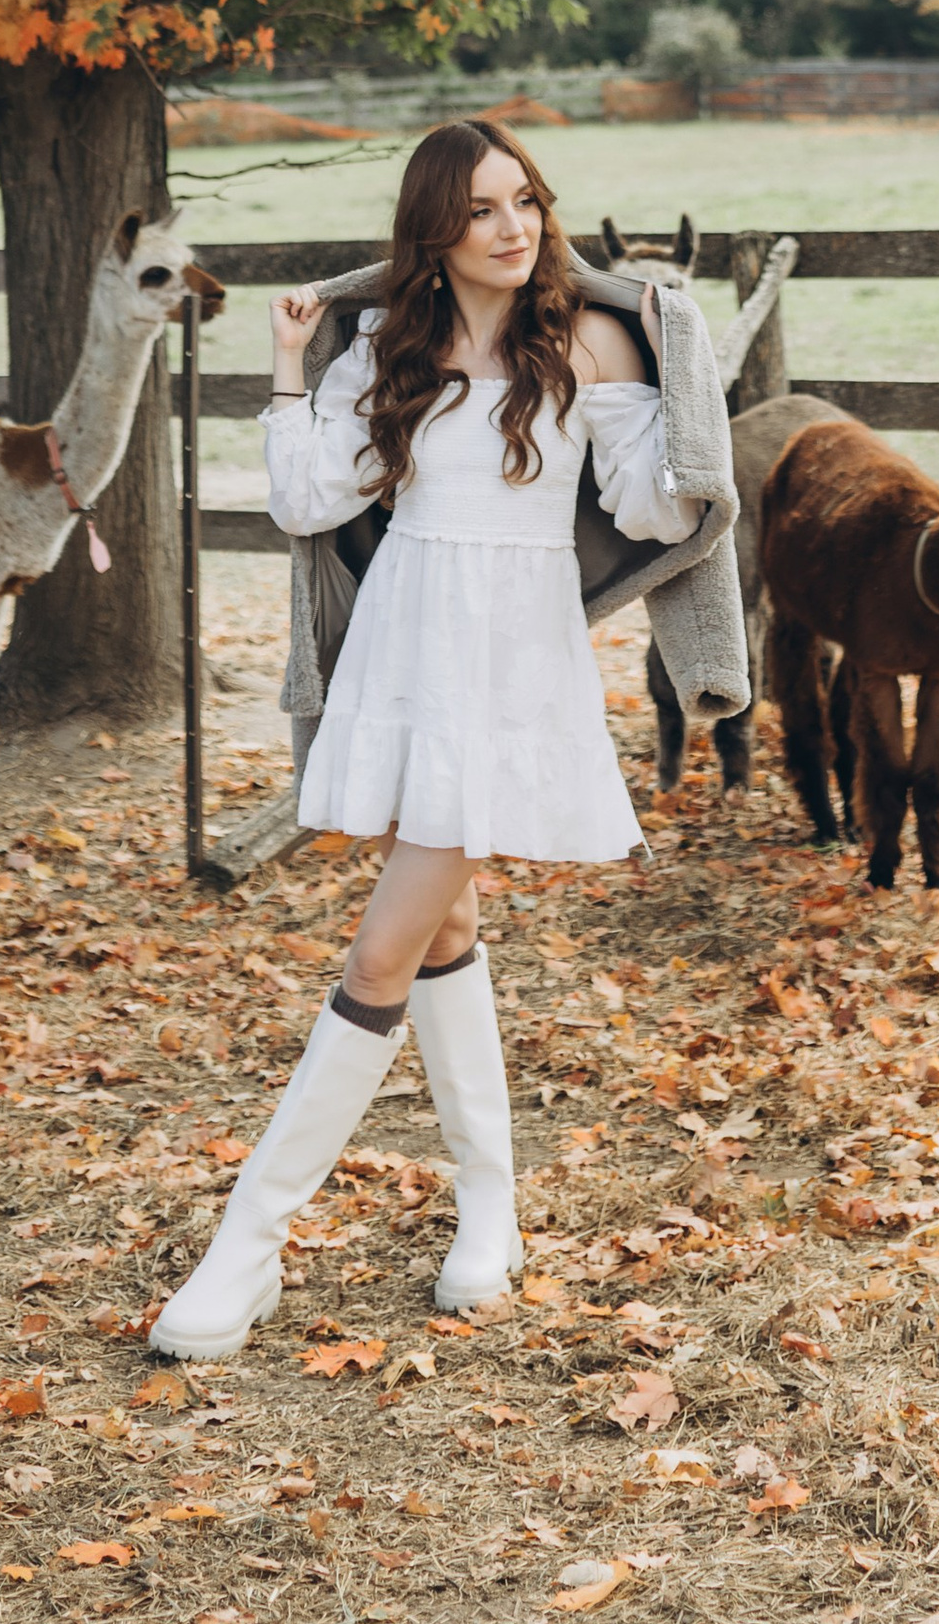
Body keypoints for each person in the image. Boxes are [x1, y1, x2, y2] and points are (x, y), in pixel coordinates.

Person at [149, 118, 724, 1361]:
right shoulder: (387, 350)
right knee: (445, 928)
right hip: (406, 649)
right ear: (434, 232)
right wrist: (291, 368)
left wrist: (684, 379)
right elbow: (310, 498)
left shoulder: (590, 335)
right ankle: (489, 1208)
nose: (512, 228)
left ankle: (247, 1244)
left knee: (376, 958)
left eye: (524, 201)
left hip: (514, 663)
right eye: (480, 211)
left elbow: (655, 506)